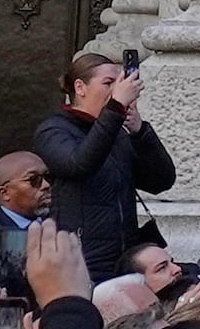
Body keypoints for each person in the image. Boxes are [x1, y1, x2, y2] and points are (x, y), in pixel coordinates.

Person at [37, 48, 176, 261]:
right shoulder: (54, 130)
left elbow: (161, 181)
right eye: (108, 83)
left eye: (118, 83)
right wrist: (115, 107)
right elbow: (79, 164)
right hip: (81, 259)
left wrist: (140, 131)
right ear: (80, 87)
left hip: (124, 256)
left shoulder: (116, 133)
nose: (115, 90)